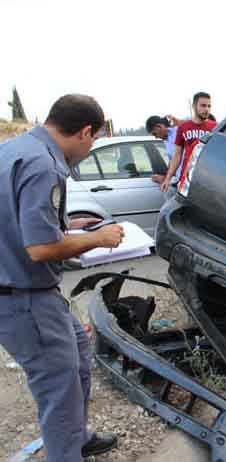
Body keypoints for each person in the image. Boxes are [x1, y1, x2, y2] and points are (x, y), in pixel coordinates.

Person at [0, 95, 125, 462]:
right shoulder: (44, 166)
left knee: (79, 351)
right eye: (94, 140)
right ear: (85, 132)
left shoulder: (17, 148)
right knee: (59, 388)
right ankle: (66, 453)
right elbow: (40, 249)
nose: (90, 148)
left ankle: (77, 438)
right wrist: (98, 238)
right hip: (23, 297)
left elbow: (17, 217)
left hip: (25, 291)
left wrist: (68, 226)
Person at [160, 92, 217, 193]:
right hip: (187, 179)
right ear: (194, 106)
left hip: (207, 180)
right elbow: (177, 155)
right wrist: (168, 178)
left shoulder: (215, 128)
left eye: (209, 106)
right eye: (203, 105)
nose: (207, 109)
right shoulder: (183, 128)